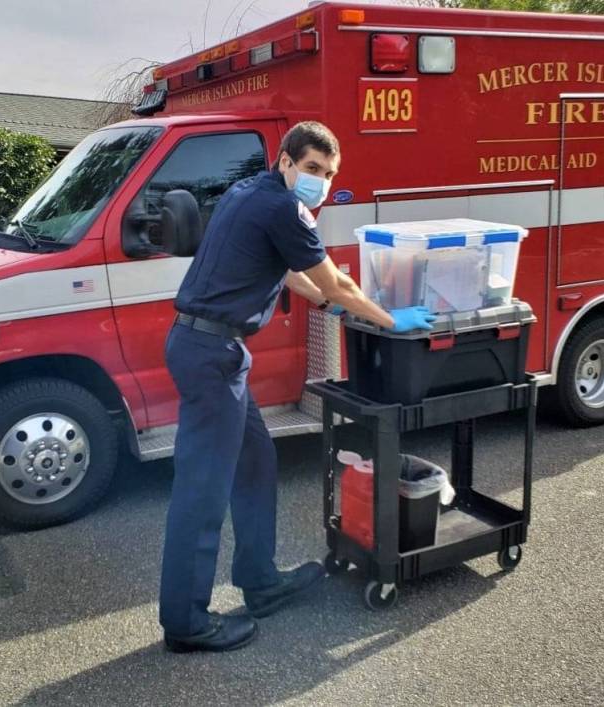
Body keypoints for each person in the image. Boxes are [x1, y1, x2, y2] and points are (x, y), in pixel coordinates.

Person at [159, 121, 435, 653]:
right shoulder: (282, 208)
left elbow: (289, 273)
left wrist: (330, 306)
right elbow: (338, 281)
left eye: (329, 174)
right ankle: (186, 622)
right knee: (203, 492)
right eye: (312, 169)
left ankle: (260, 581)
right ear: (286, 161)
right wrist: (390, 319)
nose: (321, 182)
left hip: (214, 352)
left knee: (257, 462)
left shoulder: (247, 192)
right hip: (210, 355)